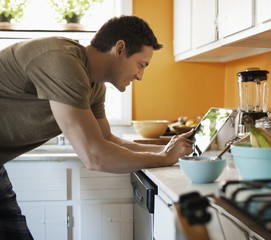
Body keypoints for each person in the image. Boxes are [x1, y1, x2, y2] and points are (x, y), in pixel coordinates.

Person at [0, 15, 193, 239]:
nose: (140, 76)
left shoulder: (94, 85)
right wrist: (163, 159)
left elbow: (107, 138)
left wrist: (164, 150)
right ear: (120, 49)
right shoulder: (62, 62)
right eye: (141, 65)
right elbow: (95, 156)